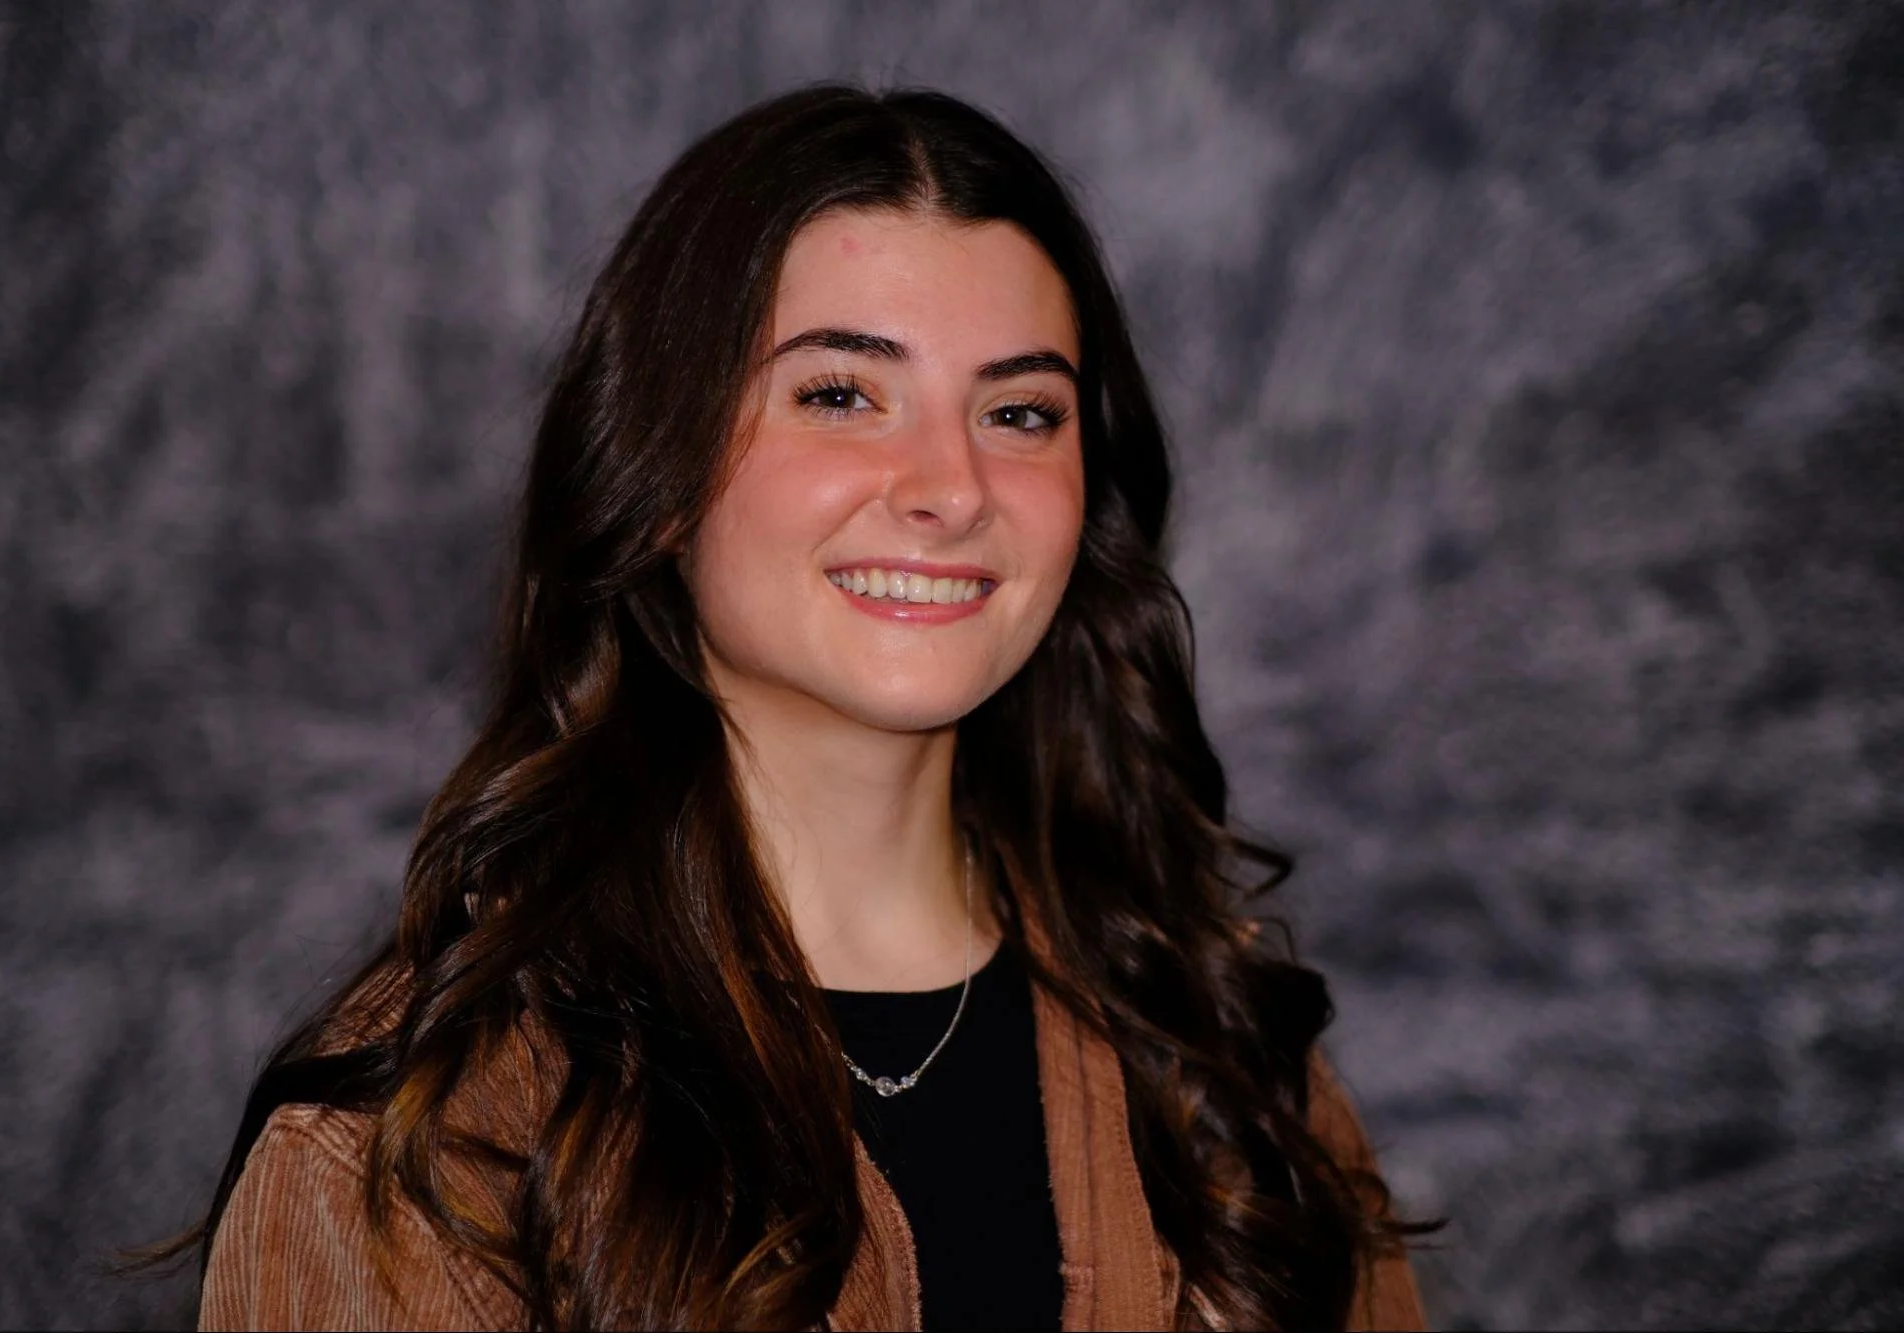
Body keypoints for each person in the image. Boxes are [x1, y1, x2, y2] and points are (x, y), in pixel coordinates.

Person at [180, 84, 1430, 1331]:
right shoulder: (428, 1148)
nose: (950, 487)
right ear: (654, 475)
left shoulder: (1221, 1057)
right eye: (840, 393)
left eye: (1018, 412)